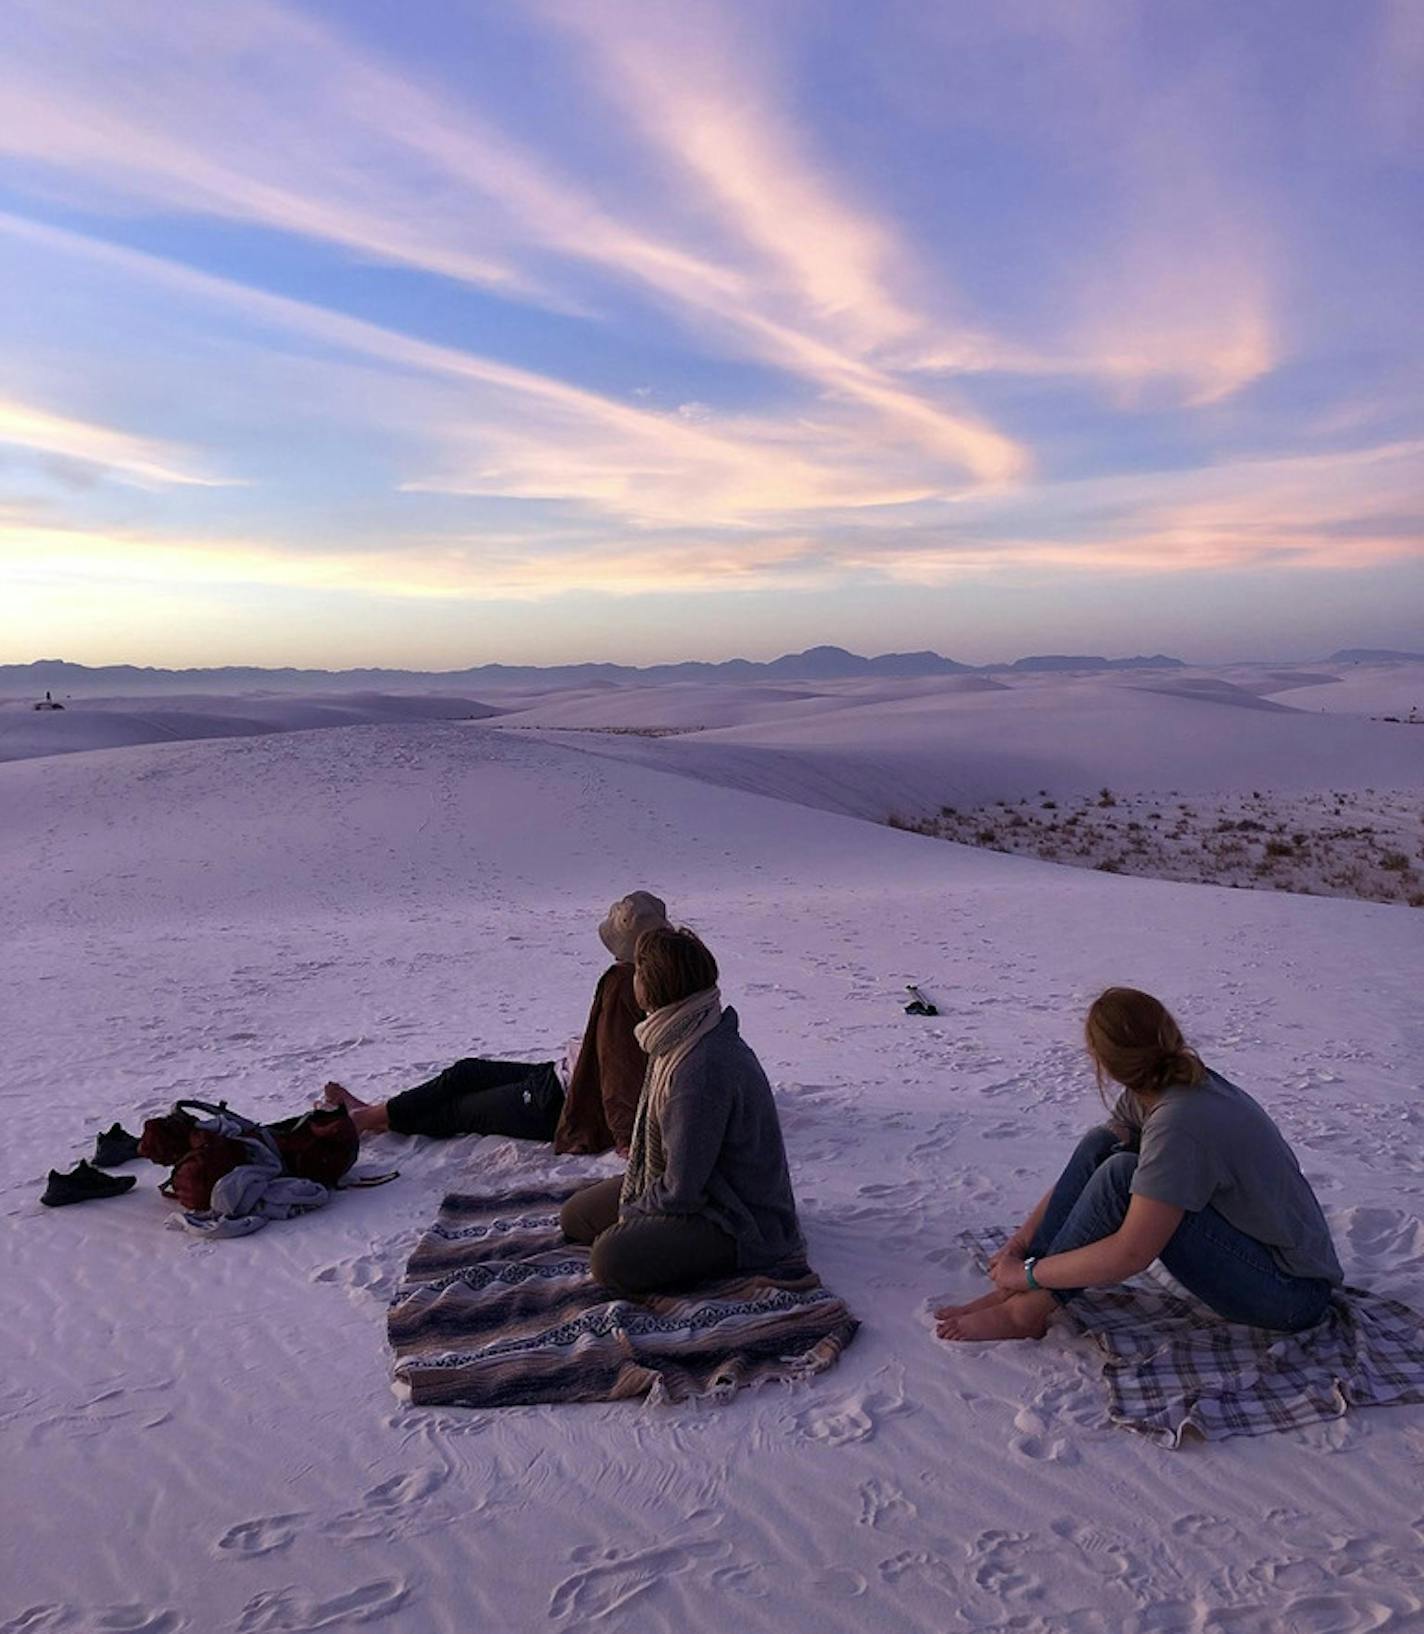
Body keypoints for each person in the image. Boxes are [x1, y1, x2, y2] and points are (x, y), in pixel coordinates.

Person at [937, 987, 1342, 1342]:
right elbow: (1087, 1165)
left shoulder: (1178, 1122)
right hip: (1264, 1258)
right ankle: (1024, 1296)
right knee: (1103, 1145)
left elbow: (1130, 1255)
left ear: (1104, 1062)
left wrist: (1027, 1274)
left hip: (1291, 1294)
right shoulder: (1163, 1082)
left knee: (1121, 1178)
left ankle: (1029, 1307)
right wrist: (1021, 1246)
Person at [321, 892, 668, 1155]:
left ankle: (364, 1119)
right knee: (466, 1072)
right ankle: (373, 1113)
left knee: (459, 1110)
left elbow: (620, 1064)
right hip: (560, 1075)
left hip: (563, 1102)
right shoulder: (648, 976)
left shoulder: (622, 983)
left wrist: (624, 1136)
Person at [561, 925, 804, 1298]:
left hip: (736, 1218)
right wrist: (636, 1204)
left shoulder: (700, 1065)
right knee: (577, 1216)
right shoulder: (680, 1034)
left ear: (654, 985)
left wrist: (633, 1213)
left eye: (638, 972)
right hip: (704, 1190)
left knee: (609, 1257)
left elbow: (681, 1191)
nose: (633, 981)